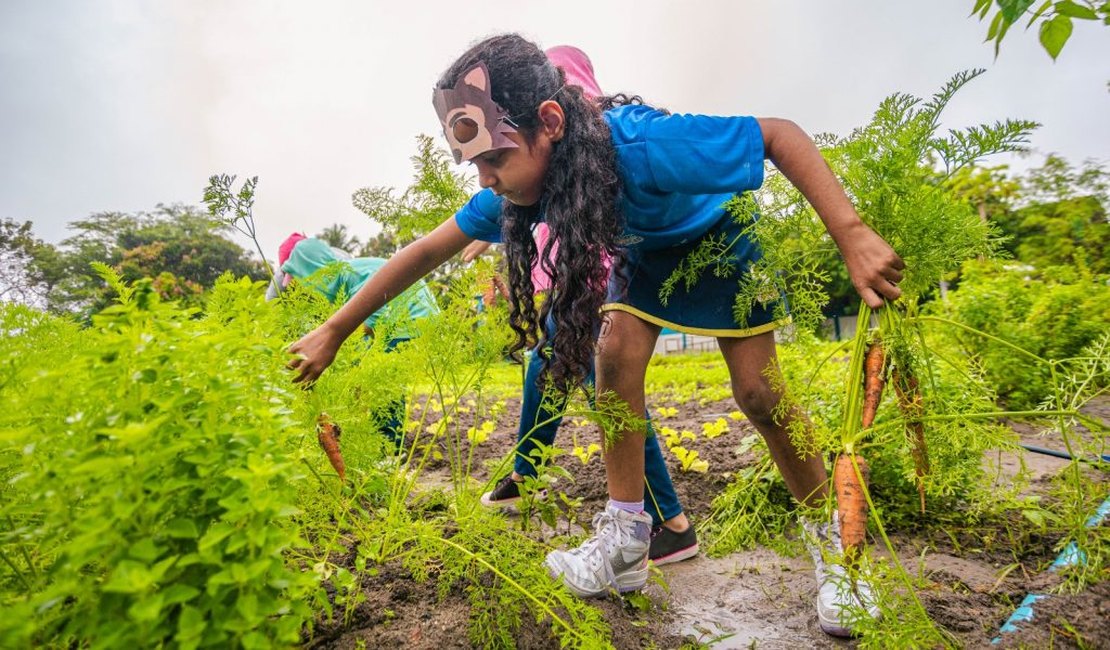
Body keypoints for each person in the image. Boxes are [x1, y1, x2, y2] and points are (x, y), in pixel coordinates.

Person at [288, 34, 904, 637]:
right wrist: (335, 329)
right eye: (476, 164)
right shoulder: (528, 188)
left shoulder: (641, 145)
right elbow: (425, 250)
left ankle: (839, 555)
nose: (485, 180)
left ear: (550, 121)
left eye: (495, 159)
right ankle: (628, 541)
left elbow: (776, 135)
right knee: (611, 361)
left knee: (761, 398)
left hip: (719, 244)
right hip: (644, 260)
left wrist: (849, 233)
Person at [465, 46, 698, 567]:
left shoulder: (596, 147)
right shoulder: (545, 158)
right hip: (576, 284)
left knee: (607, 385)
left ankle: (669, 521)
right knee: (546, 364)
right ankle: (528, 471)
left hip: (600, 284)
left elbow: (594, 231)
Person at [274, 233, 439, 446]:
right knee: (378, 379)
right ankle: (385, 440)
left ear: (312, 271)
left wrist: (347, 360)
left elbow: (370, 321)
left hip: (410, 319)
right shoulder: (342, 278)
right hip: (399, 323)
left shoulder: (351, 272)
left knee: (383, 382)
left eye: (303, 283)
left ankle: (389, 446)